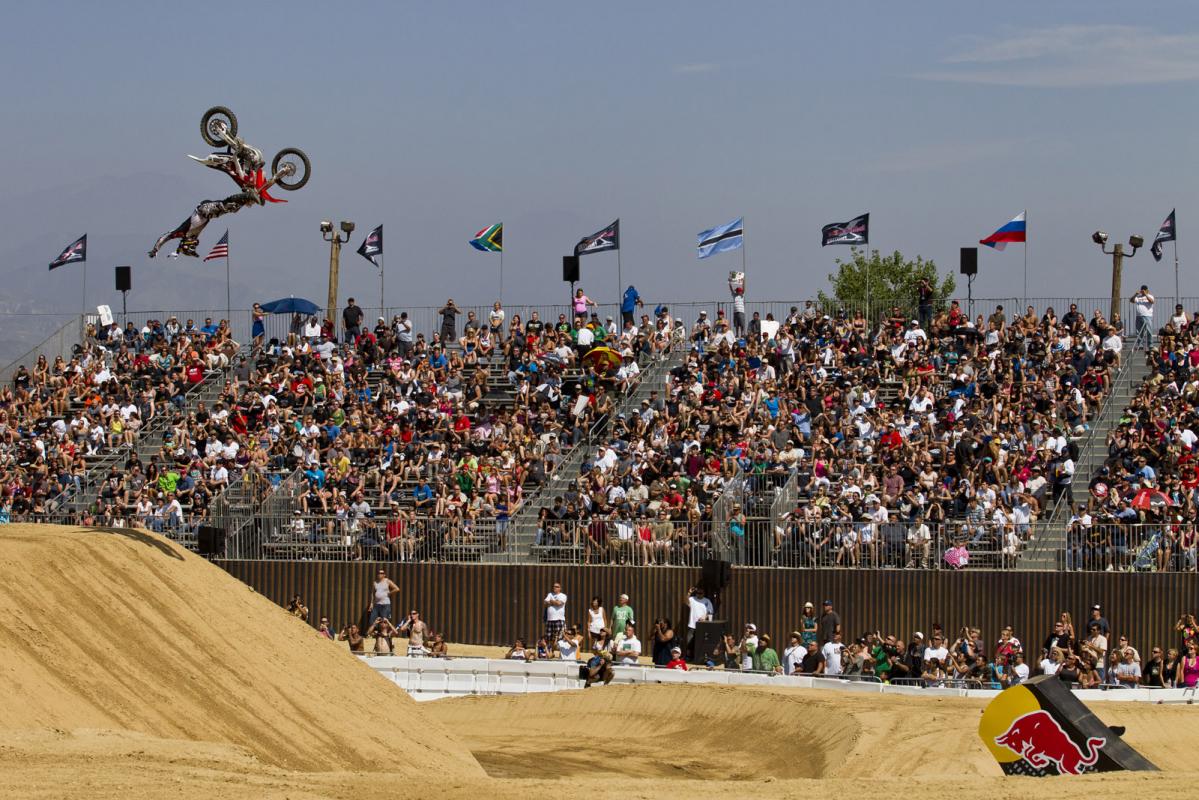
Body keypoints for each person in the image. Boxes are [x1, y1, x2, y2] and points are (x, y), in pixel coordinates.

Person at [684, 586, 714, 660]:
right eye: (697, 593)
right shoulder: (692, 599)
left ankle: (700, 657)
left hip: (702, 626)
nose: (699, 594)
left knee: (701, 642)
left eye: (701, 593)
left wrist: (705, 617)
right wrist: (689, 593)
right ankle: (689, 657)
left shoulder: (707, 601)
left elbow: (710, 611)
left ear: (704, 593)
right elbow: (685, 601)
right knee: (689, 642)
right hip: (692, 625)